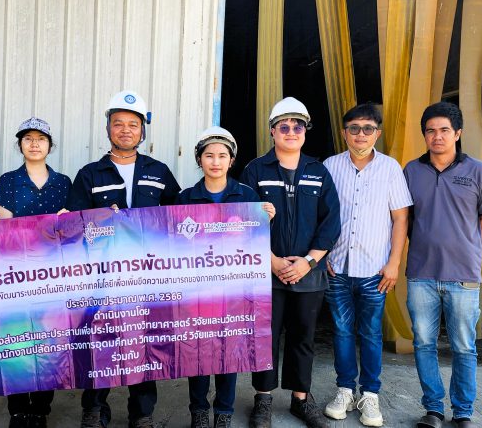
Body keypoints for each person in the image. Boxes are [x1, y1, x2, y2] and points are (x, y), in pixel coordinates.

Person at [66, 90, 181, 428]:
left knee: (143, 342)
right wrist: (100, 220)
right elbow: (73, 226)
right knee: (98, 340)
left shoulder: (159, 171)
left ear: (143, 131)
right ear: (108, 129)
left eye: (133, 124)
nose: (126, 130)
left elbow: (177, 219)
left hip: (147, 276)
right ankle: (94, 408)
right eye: (118, 123)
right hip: (101, 276)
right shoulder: (90, 174)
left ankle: (142, 413)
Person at [240, 97, 341, 428]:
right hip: (265, 272)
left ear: (305, 131)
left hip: (308, 273)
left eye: (298, 126)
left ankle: (301, 399)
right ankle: (263, 399)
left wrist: (308, 262)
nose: (291, 132)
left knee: (303, 337)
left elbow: (331, 222)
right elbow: (243, 220)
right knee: (265, 337)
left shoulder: (318, 171)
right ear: (272, 131)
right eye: (283, 126)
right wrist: (270, 260)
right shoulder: (256, 170)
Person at [403, 102, 482, 428]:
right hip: (421, 273)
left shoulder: (478, 171)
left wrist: (465, 243)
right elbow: (404, 219)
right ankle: (433, 409)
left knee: (463, 347)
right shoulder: (411, 171)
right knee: (423, 344)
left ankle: (463, 412)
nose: (437, 136)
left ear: (457, 133)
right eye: (431, 131)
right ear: (424, 135)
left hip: (463, 275)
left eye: (444, 130)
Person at [176, 127, 275, 428]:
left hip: (234, 291)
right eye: (209, 155)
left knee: (228, 352)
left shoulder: (247, 196)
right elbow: (171, 242)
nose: (216, 161)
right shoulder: (185, 198)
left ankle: (224, 412)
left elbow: (256, 241)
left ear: (231, 160)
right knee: (197, 352)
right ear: (199, 159)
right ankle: (198, 412)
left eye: (222, 155)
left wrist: (266, 218)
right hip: (197, 291)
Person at [321, 104, 412, 427]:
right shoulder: (330, 166)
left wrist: (394, 263)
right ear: (344, 132)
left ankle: (370, 394)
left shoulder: (390, 168)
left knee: (371, 332)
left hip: (376, 269)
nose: (361, 134)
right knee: (342, 330)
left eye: (368, 129)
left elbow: (400, 218)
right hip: (337, 266)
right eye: (354, 128)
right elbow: (320, 214)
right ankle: (345, 390)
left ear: (378, 133)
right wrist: (321, 254)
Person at [0, 118, 72, 428]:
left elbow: (70, 230)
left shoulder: (63, 183)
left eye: (41, 138)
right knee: (17, 340)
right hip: (16, 272)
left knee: (48, 341)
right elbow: (4, 229)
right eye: (28, 138)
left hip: (54, 275)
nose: (35, 143)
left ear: (50, 145)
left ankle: (40, 409)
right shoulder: (8, 181)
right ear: (20, 145)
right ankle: (18, 410)